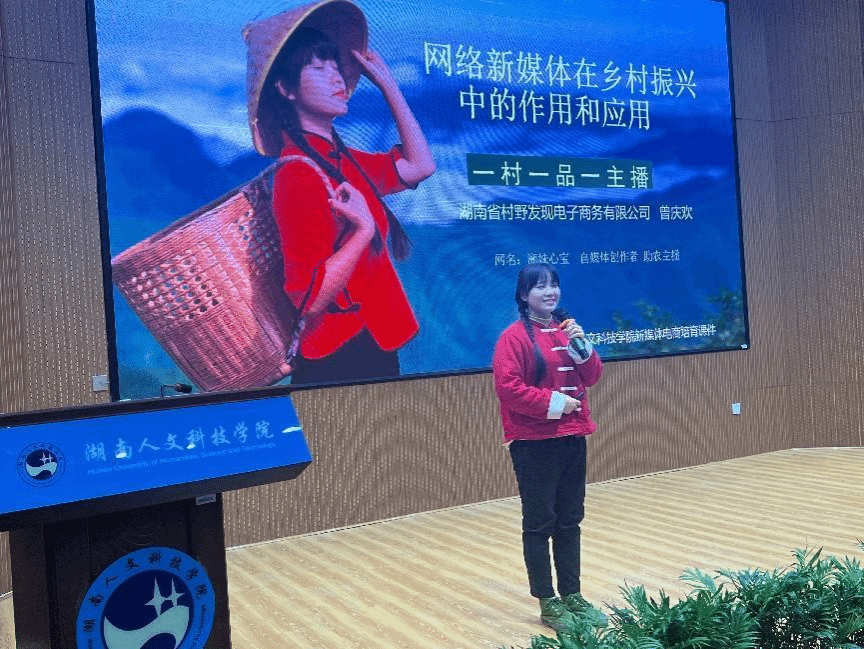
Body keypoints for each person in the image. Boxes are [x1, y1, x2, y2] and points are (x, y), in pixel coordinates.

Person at [244, 0, 435, 385]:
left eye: (336, 67)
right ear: (286, 88)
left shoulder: (343, 159)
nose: (337, 78)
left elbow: (420, 166)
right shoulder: (298, 174)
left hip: (371, 345)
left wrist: (388, 86)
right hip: (340, 358)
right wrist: (363, 231)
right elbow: (309, 297)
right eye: (318, 68)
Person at [491, 263, 603, 632]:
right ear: (524, 295)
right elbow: (509, 389)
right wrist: (556, 403)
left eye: (553, 285)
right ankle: (548, 601)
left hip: (572, 436)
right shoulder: (512, 338)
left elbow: (593, 376)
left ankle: (572, 594)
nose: (549, 292)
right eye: (540, 286)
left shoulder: (567, 330)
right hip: (534, 442)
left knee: (570, 520)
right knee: (540, 523)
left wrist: (582, 345)